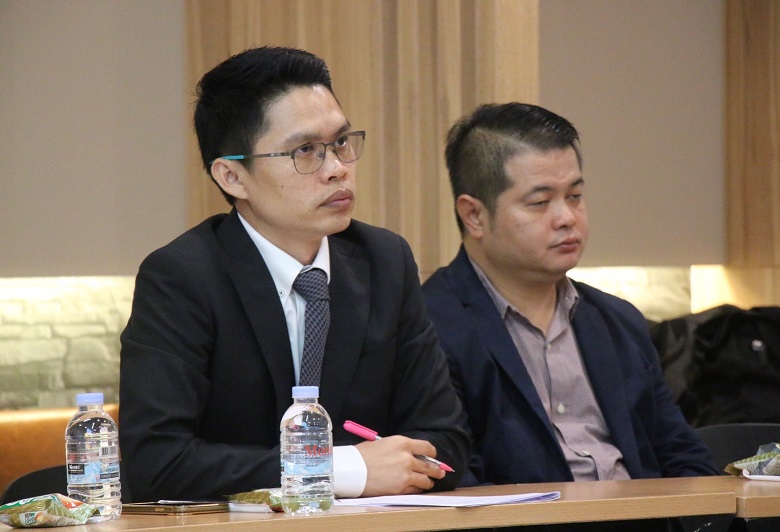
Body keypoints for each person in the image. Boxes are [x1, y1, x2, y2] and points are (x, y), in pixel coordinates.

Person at [119, 46, 469, 502]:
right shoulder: (182, 278)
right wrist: (342, 469)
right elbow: (157, 464)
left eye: (341, 143)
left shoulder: (384, 261)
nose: (337, 169)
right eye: (306, 151)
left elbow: (447, 442)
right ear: (232, 177)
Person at [422, 103, 717, 487]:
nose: (567, 218)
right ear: (474, 215)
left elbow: (682, 454)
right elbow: (458, 484)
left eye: (575, 196)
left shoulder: (617, 320)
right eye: (540, 203)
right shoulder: (429, 327)